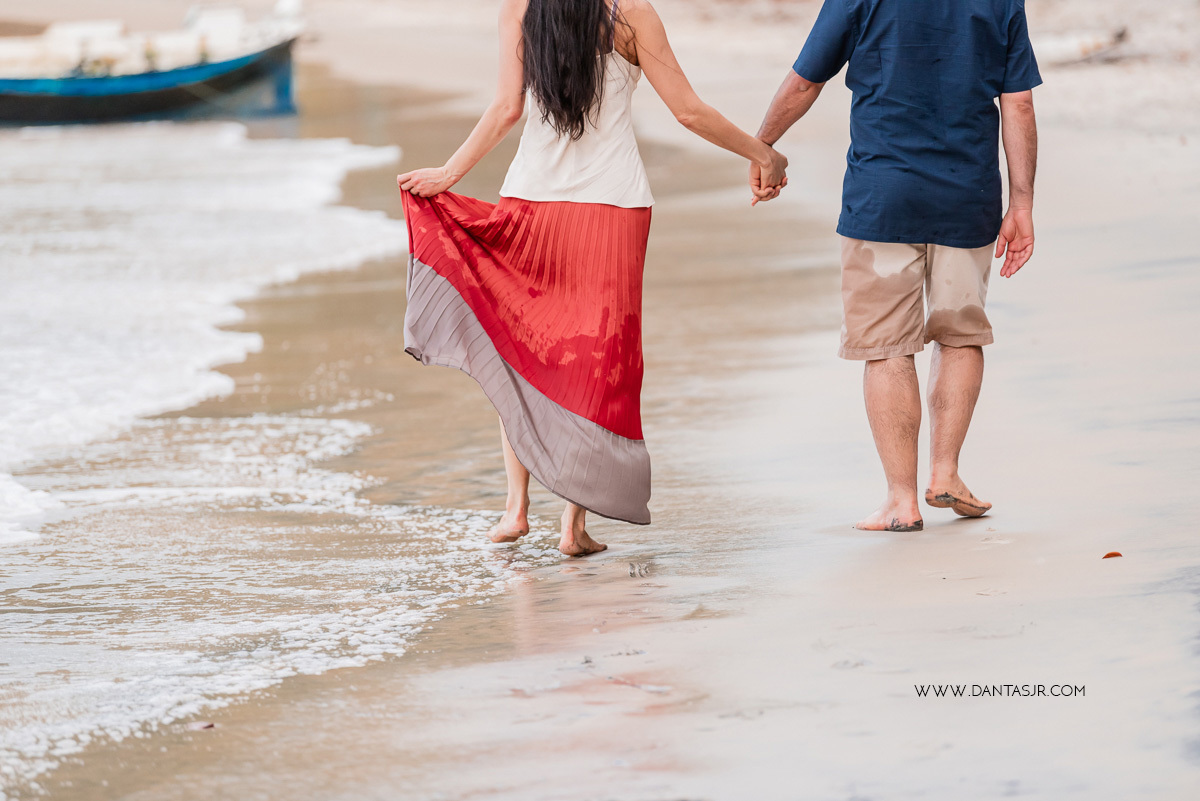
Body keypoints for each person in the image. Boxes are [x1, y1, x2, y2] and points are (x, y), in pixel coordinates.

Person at [397, 0, 787, 555]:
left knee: (521, 352)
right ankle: (573, 526)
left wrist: (449, 173)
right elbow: (689, 112)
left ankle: (516, 508)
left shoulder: (520, 9)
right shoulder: (632, 14)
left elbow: (507, 108)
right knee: (597, 361)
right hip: (612, 208)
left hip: (531, 200)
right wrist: (764, 154)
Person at [753, 0, 1041, 531]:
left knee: (885, 344)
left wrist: (763, 145)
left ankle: (901, 501)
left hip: (882, 196)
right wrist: (1021, 203)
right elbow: (1016, 102)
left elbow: (804, 81)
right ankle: (946, 473)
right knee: (961, 334)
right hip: (967, 193)